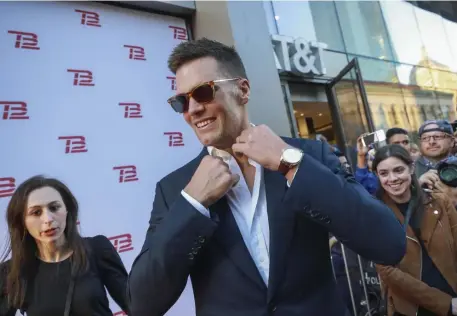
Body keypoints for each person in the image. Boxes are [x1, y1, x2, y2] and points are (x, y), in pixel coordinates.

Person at [128, 38, 406, 316]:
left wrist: (292, 165)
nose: (192, 110)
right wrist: (193, 204)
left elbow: (389, 244)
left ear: (243, 90)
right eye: (181, 102)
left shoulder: (309, 156)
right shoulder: (175, 189)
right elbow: (142, 304)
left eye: (203, 92)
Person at [0, 176, 130, 316]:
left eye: (54, 208)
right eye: (36, 212)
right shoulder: (12, 272)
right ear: (22, 222)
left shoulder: (97, 249)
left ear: (67, 210)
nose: (48, 219)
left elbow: (136, 306)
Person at [372, 145, 457, 316]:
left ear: (411, 168)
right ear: (377, 175)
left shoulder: (439, 201)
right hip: (413, 308)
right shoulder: (374, 213)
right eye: (384, 173)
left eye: (398, 170)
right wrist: (444, 303)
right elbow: (388, 272)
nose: (393, 178)